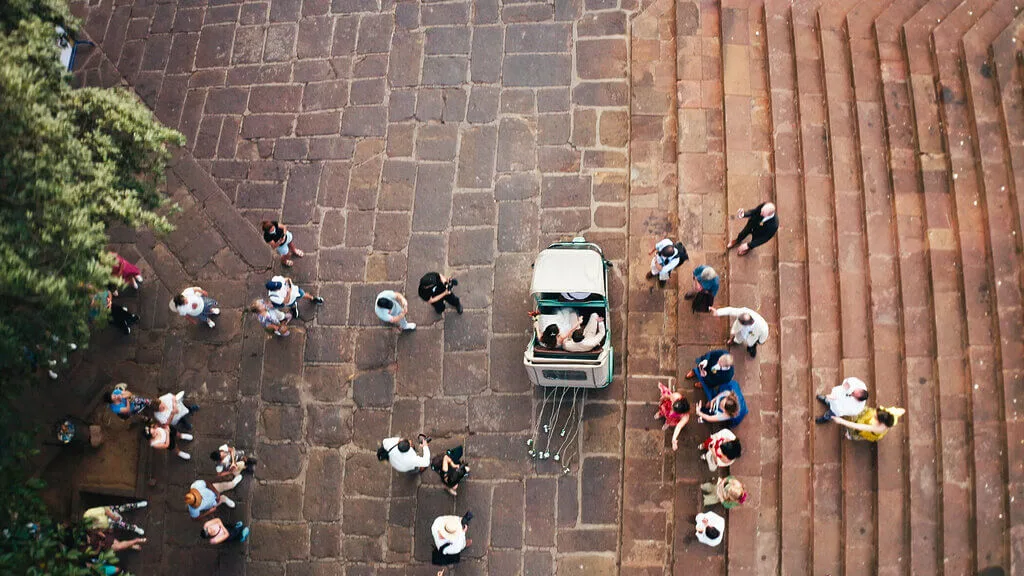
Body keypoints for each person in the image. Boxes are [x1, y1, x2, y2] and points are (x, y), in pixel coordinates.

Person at [828, 406, 905, 442]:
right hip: (866, 414)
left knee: (855, 432)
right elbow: (902, 410)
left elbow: (858, 426)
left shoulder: (878, 428)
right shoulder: (891, 413)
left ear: (881, 422)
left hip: (864, 428)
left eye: (876, 417)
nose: (874, 414)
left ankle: (850, 435)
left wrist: (841, 421)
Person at [654, 382, 690, 451]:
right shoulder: (676, 396)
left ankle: (667, 423)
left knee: (669, 421)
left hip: (673, 418)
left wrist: (674, 440)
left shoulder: (685, 417)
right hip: (666, 407)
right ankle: (660, 414)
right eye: (673, 405)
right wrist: (662, 399)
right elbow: (667, 396)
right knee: (662, 410)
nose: (672, 410)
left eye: (674, 410)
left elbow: (679, 426)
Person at [82, 501, 148, 536]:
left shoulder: (88, 513)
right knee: (123, 526)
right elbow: (97, 530)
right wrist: (107, 530)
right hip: (108, 524)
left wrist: (113, 517)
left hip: (109, 512)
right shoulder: (86, 527)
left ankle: (137, 505)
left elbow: (104, 509)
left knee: (123, 507)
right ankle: (135, 528)